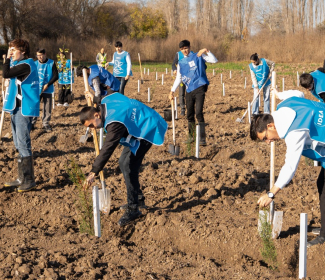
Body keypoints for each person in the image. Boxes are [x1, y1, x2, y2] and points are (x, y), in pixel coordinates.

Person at [252, 90, 325, 245]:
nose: (268, 142)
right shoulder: (285, 105)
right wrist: (279, 95)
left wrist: (271, 194)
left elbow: (290, 166)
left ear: (270, 125)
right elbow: (298, 94)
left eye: (265, 137)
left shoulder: (294, 132)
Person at [79, 93, 168, 226]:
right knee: (123, 162)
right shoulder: (105, 100)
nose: (93, 129)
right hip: (138, 124)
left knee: (129, 165)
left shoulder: (114, 123)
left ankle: (133, 208)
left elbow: (107, 149)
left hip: (147, 127)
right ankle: (138, 198)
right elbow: (105, 95)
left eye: (91, 125)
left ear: (97, 115)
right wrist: (94, 97)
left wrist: (94, 171)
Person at [1, 39, 41, 191]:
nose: (11, 53)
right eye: (10, 49)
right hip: (16, 107)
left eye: (13, 50)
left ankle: (29, 180)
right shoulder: (19, 64)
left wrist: (6, 59)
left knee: (23, 144)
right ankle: (21, 178)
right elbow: (10, 76)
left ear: (23, 51)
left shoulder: (26, 65)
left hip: (24, 108)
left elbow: (6, 73)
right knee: (18, 144)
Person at [169, 40, 217, 147]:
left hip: (199, 87)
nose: (184, 51)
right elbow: (179, 78)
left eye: (186, 48)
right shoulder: (181, 63)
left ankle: (202, 139)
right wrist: (172, 91)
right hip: (189, 90)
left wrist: (207, 51)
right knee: (189, 115)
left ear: (189, 47)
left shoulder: (198, 56)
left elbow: (214, 60)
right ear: (180, 50)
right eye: (182, 49)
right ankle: (191, 137)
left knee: (198, 113)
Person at [36, 49, 58, 132]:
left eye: (41, 55)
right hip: (37, 89)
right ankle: (32, 122)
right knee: (35, 106)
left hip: (48, 89)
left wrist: (48, 84)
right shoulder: (35, 64)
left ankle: (45, 123)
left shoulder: (51, 63)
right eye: (38, 55)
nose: (40, 57)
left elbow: (56, 76)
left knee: (47, 107)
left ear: (45, 54)